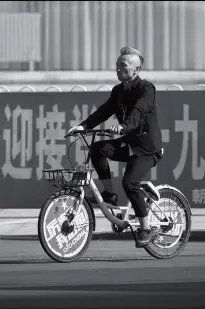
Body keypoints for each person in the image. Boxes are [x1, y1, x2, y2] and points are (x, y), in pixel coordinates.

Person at [67, 46, 163, 247]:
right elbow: (103, 112)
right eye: (116, 65)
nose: (118, 69)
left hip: (146, 148)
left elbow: (138, 113)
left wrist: (122, 127)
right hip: (127, 144)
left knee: (130, 183)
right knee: (97, 149)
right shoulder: (118, 91)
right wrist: (83, 126)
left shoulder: (147, 89)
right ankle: (109, 194)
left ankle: (146, 228)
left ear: (136, 70)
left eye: (123, 65)